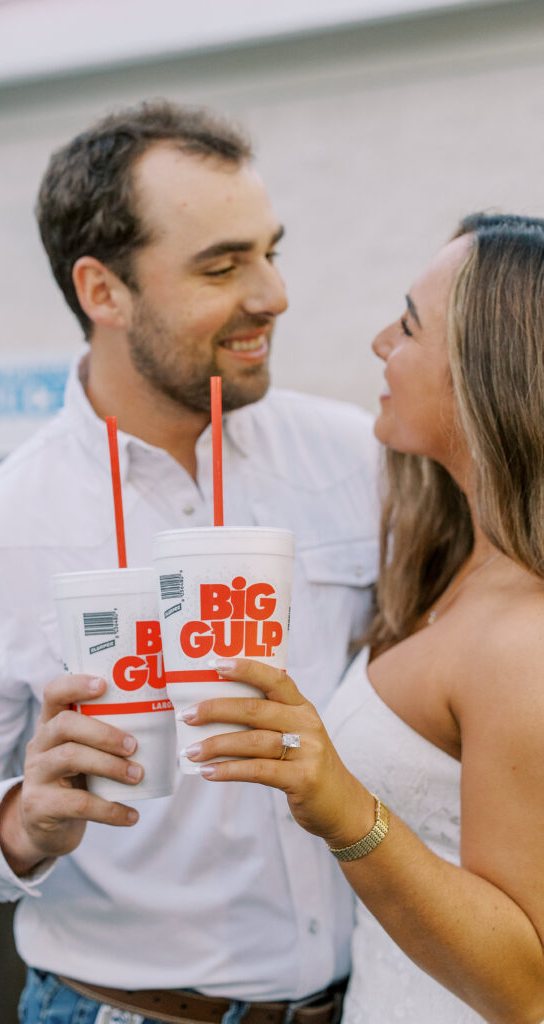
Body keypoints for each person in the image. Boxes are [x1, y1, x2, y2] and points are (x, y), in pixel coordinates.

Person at [0, 101, 379, 1024]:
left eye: (270, 250)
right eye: (222, 265)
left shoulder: (358, 459)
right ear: (102, 291)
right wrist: (20, 817)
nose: (272, 294)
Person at [179, 213, 544, 1024]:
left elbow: (527, 988)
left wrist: (339, 804)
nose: (381, 342)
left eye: (409, 326)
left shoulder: (524, 637)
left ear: (487, 373)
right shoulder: (456, 566)